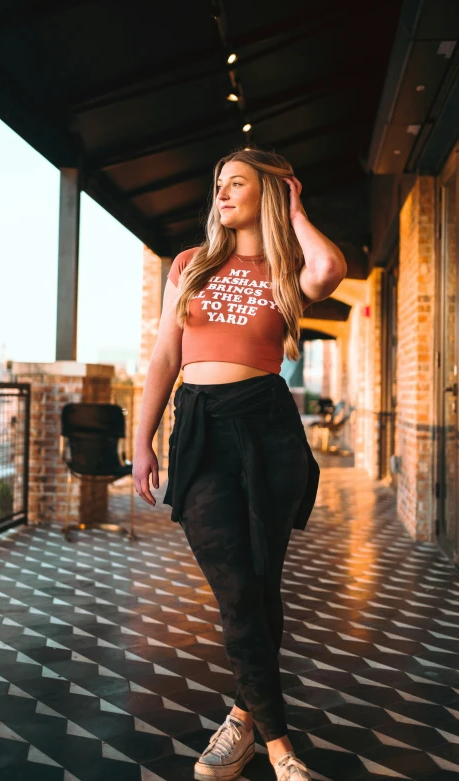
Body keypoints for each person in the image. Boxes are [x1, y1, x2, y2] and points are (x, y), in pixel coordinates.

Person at [133, 149, 347, 781]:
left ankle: (242, 724)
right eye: (218, 184)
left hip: (265, 426)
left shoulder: (285, 266)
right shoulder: (191, 265)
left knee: (258, 581)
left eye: (237, 184)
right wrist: (143, 440)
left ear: (269, 193)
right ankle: (281, 748)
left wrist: (295, 205)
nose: (221, 194)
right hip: (199, 425)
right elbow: (165, 356)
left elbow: (330, 266)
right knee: (234, 584)